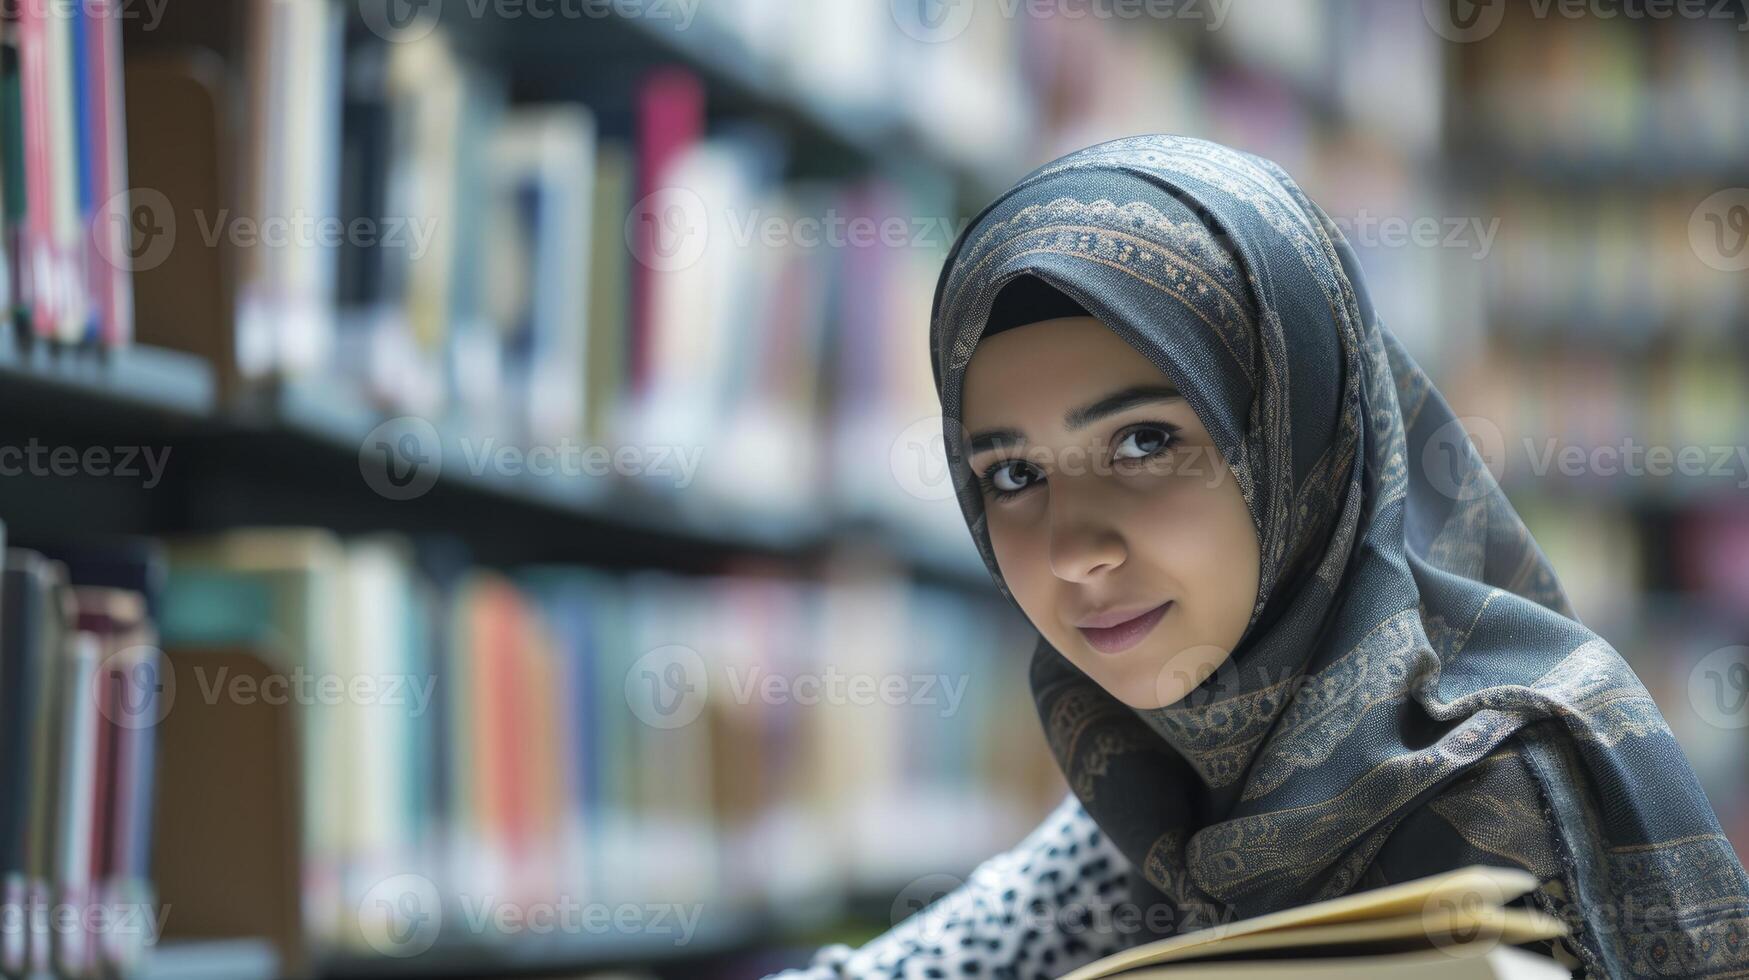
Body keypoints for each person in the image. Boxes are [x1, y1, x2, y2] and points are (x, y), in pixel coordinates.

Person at [767, 135, 1749, 980]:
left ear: (1302, 444)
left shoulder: (1507, 798)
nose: (1072, 550)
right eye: (1014, 473)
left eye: (1146, 442)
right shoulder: (1169, 774)